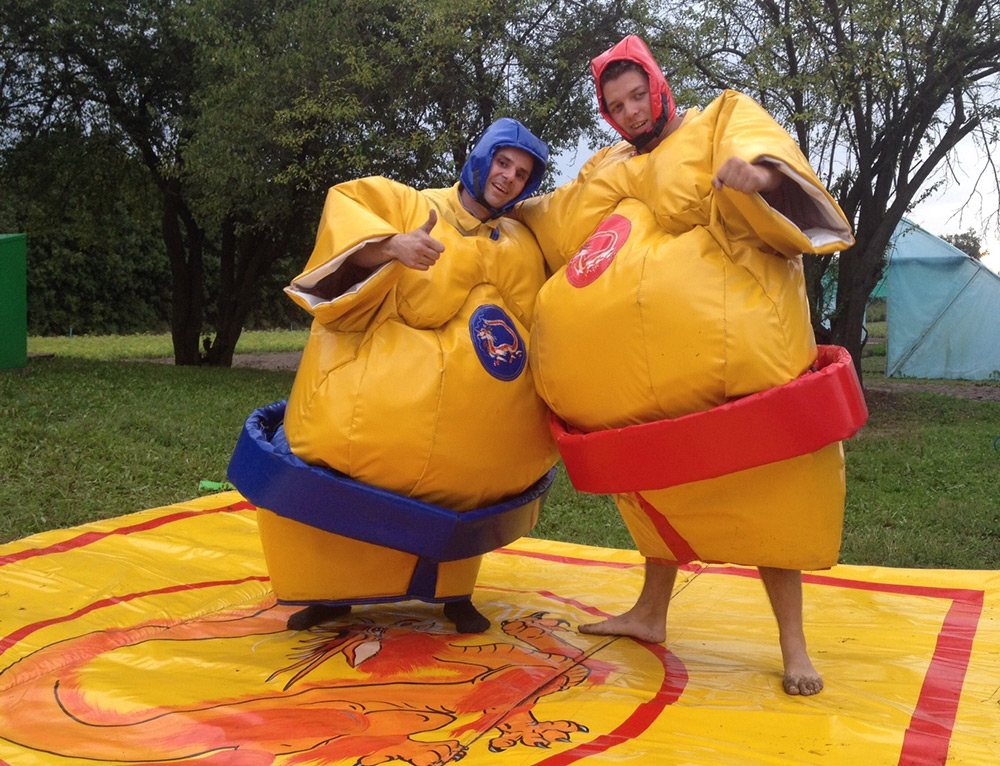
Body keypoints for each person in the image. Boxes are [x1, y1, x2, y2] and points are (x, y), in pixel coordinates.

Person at [517, 36, 857, 696]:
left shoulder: (714, 122)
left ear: (657, 86)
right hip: (646, 382)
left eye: (636, 96)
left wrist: (758, 177)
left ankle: (794, 647)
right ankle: (651, 612)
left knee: (770, 495)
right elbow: (555, 218)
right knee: (656, 490)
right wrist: (493, 202)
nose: (630, 112)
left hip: (742, 370)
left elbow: (762, 154)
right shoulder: (610, 165)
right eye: (616, 106)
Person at [273, 118, 558, 633]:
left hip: (477, 439)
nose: (508, 178)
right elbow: (345, 233)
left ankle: (453, 593)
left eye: (521, 174)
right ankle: (332, 595)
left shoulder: (522, 242)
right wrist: (392, 248)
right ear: (483, 157)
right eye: (503, 163)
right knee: (356, 485)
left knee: (464, 487)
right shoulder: (414, 206)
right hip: (383, 415)